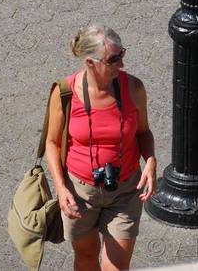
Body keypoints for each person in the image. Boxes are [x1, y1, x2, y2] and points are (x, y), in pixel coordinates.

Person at [46, 24, 156, 271]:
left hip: (125, 190)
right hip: (79, 193)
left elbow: (143, 132)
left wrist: (150, 160)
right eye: (113, 59)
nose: (121, 65)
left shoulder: (134, 88)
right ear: (90, 62)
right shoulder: (64, 92)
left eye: (121, 55)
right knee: (86, 258)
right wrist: (61, 188)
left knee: (115, 267)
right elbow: (52, 143)